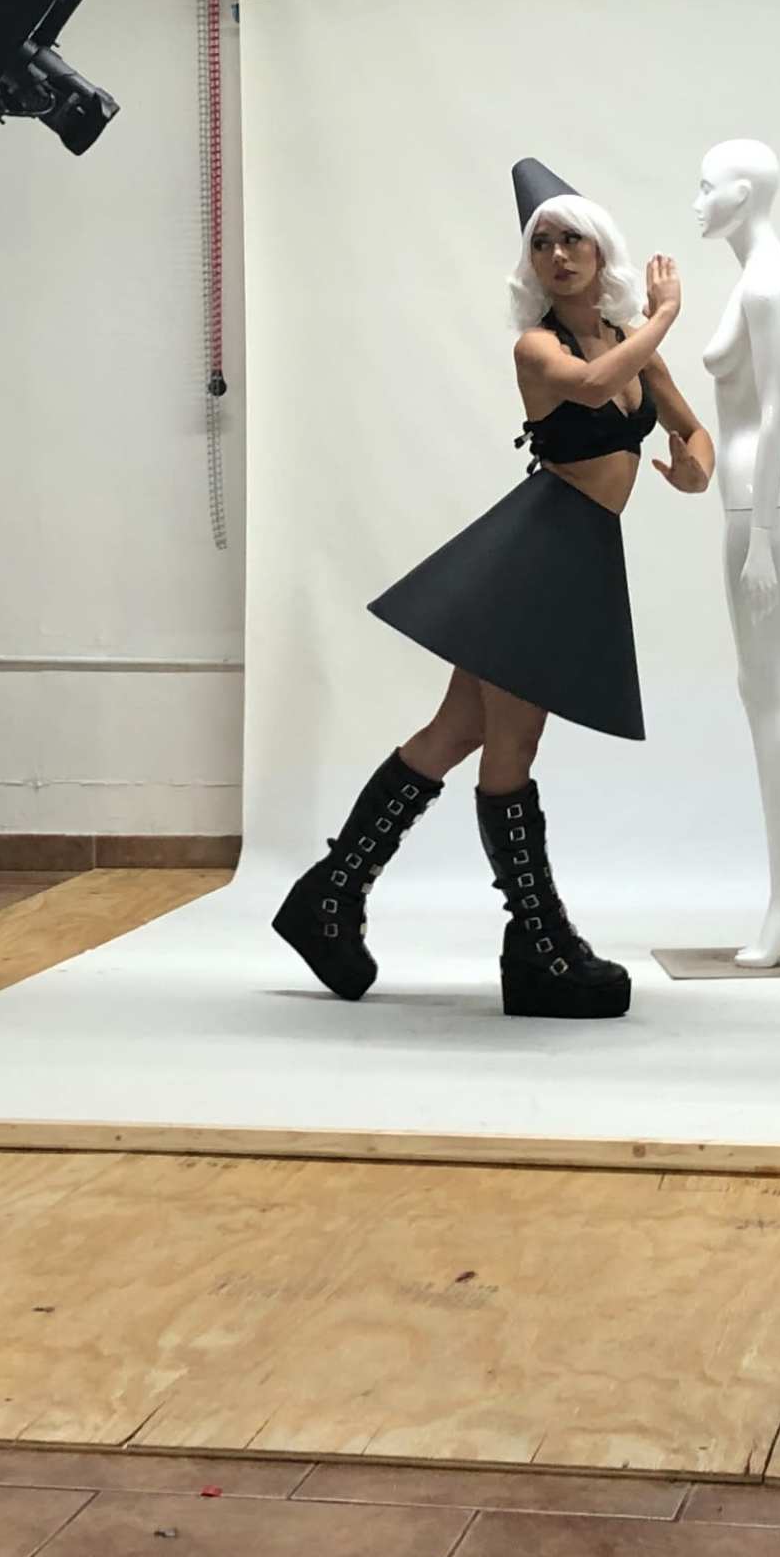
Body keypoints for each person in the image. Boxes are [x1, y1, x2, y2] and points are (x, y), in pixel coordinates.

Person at [274, 156, 715, 1017]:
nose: (557, 254)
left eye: (571, 238)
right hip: (538, 556)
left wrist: (692, 467)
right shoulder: (542, 347)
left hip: (575, 554)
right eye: (541, 242)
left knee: (453, 732)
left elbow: (691, 429)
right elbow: (589, 387)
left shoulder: (628, 345)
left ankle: (327, 901)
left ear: (601, 249)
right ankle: (538, 945)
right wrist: (664, 315)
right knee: (511, 750)